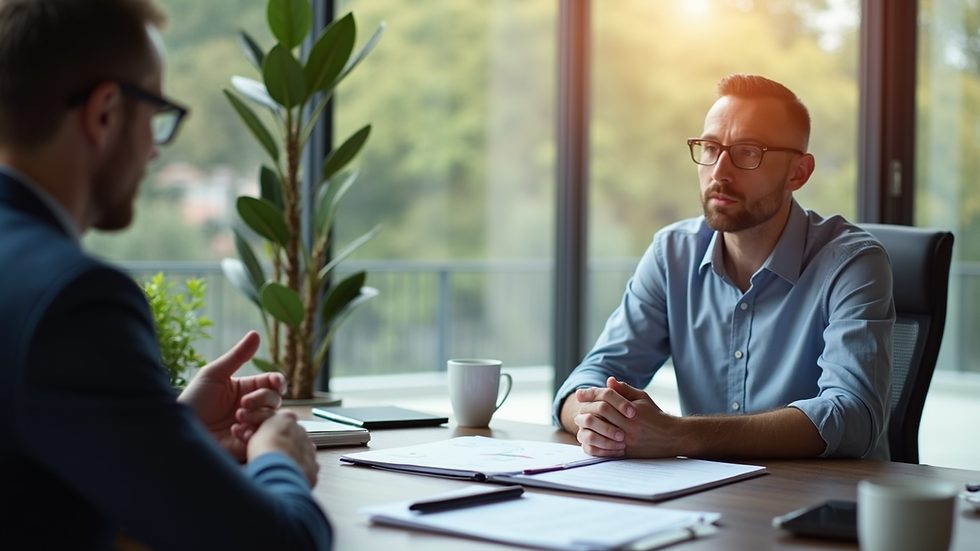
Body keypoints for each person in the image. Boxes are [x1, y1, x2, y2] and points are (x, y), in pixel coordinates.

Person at [0, 0, 331, 549]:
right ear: (105, 113)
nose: (155, 150)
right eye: (155, 116)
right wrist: (279, 460)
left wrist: (170, 434)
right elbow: (280, 543)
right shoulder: (72, 301)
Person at [554, 74, 894, 461]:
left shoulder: (852, 263)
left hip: (821, 493)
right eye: (711, 148)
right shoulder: (672, 254)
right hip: (708, 491)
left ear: (798, 172)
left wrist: (680, 435)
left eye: (748, 152)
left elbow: (851, 415)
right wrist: (598, 420)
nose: (719, 172)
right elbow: (591, 377)